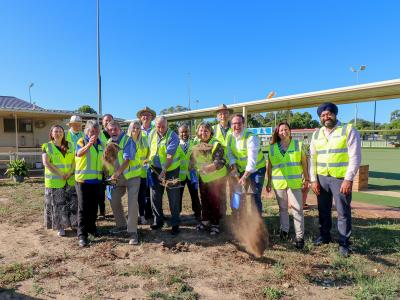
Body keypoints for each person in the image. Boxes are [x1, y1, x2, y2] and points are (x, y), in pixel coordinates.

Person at [311, 102, 361, 257]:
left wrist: (348, 179)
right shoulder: (317, 134)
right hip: (322, 178)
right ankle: (324, 236)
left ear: (335, 114)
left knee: (342, 211)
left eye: (328, 114)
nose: (326, 117)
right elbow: (313, 158)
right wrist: (313, 179)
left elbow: (355, 157)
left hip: (340, 179)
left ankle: (344, 243)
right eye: (322, 115)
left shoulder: (347, 130)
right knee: (323, 210)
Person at [266, 122, 310, 249]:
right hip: (278, 183)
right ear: (277, 132)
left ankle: (299, 237)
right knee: (283, 208)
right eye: (281, 130)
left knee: (297, 208)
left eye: (286, 129)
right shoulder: (273, 147)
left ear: (290, 131)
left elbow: (304, 162)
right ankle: (284, 231)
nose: (283, 132)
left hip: (294, 182)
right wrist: (268, 182)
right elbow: (269, 166)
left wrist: (306, 178)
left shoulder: (298, 144)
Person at [106, 121, 141, 245]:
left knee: (132, 203)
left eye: (115, 129)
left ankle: (133, 232)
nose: (113, 131)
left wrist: (116, 174)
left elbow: (127, 160)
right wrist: (110, 174)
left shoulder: (127, 140)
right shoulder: (108, 143)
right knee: (113, 198)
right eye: (110, 130)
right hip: (118, 178)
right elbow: (109, 161)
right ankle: (121, 225)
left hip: (132, 177)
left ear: (120, 129)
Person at [190, 122, 227, 235]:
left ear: (211, 132)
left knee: (214, 201)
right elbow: (193, 159)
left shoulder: (216, 144)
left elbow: (219, 162)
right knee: (204, 200)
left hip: (216, 178)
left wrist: (206, 168)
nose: (203, 133)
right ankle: (205, 221)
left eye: (206, 131)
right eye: (201, 130)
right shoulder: (196, 142)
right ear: (197, 132)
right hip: (204, 178)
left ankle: (215, 224)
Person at [42, 125, 77, 237]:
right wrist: (61, 174)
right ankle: (60, 227)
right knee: (58, 205)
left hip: (70, 179)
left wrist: (70, 172)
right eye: (55, 131)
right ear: (51, 133)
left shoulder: (70, 145)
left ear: (63, 133)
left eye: (60, 131)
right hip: (55, 181)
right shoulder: (47, 146)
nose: (58, 133)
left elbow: (75, 161)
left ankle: (74, 224)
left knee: (73, 204)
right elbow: (46, 163)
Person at [148, 116, 181, 235]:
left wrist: (163, 172)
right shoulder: (151, 133)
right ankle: (158, 220)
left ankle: (175, 223)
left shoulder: (173, 136)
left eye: (163, 126)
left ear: (167, 125)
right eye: (158, 126)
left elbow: (169, 157)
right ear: (155, 125)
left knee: (174, 197)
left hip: (171, 170)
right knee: (155, 196)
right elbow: (149, 149)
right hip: (155, 169)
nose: (161, 129)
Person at [227, 114, 266, 214]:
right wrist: (234, 169)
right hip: (241, 169)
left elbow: (252, 162)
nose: (236, 126)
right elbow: (230, 154)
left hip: (257, 169)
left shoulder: (251, 137)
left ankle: (257, 224)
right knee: (240, 194)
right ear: (231, 125)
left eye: (239, 123)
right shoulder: (230, 136)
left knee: (254, 195)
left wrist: (244, 177)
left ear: (243, 124)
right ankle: (241, 219)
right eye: (234, 124)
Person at [75, 120, 104, 247]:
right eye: (92, 131)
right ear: (87, 131)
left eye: (97, 131)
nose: (95, 133)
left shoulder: (101, 144)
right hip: (83, 180)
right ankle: (82, 235)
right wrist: (89, 144)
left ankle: (92, 228)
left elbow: (103, 160)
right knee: (83, 208)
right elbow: (78, 153)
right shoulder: (82, 141)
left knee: (93, 207)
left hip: (97, 180)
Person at [128, 121, 151, 225]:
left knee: (141, 196)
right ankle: (133, 217)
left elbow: (149, 153)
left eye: (138, 128)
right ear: (130, 129)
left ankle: (142, 216)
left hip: (142, 173)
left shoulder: (145, 139)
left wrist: (148, 160)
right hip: (131, 174)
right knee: (132, 197)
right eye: (134, 128)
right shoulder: (127, 140)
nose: (136, 130)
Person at [212, 104, 233, 216]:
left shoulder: (234, 127)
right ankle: (222, 215)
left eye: (225, 113)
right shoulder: (213, 129)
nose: (223, 115)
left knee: (234, 192)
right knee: (221, 192)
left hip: (233, 165)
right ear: (217, 116)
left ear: (229, 114)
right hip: (219, 166)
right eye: (220, 113)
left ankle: (236, 214)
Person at [178, 124, 201, 220]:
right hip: (180, 176)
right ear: (178, 133)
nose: (184, 134)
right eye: (182, 132)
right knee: (178, 196)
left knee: (195, 195)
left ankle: (198, 214)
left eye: (186, 131)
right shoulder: (176, 145)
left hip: (192, 175)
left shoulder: (194, 143)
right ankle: (177, 214)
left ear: (189, 132)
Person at [137, 107, 156, 221]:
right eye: (143, 115)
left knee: (154, 190)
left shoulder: (156, 129)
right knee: (142, 191)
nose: (145, 117)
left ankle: (153, 213)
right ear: (140, 118)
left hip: (154, 164)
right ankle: (143, 213)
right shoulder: (137, 130)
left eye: (148, 115)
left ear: (151, 117)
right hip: (141, 166)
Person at [98, 114, 114, 219]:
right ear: (102, 122)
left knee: (112, 192)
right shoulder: (99, 134)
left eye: (109, 120)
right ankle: (102, 213)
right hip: (100, 168)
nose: (107, 122)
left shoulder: (115, 133)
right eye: (105, 120)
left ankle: (115, 211)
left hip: (112, 169)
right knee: (100, 192)